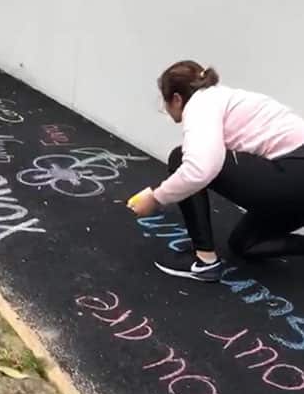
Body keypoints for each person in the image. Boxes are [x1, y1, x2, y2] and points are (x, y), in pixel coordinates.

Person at [128, 60, 304, 282]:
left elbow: (200, 169)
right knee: (245, 244)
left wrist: (155, 198)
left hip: (294, 174)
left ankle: (204, 262)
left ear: (176, 99)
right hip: (293, 181)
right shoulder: (223, 98)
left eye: (165, 102)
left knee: (181, 158)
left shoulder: (201, 103)